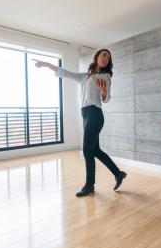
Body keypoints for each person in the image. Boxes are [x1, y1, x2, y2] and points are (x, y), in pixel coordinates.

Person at [34, 49, 127, 197]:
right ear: (97, 57)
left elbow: (106, 97)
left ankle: (89, 185)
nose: (106, 58)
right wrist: (46, 64)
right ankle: (118, 173)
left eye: (108, 57)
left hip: (95, 115)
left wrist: (103, 92)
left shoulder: (106, 76)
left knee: (86, 151)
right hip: (86, 115)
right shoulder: (85, 77)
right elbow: (65, 73)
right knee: (95, 150)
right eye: (104, 55)